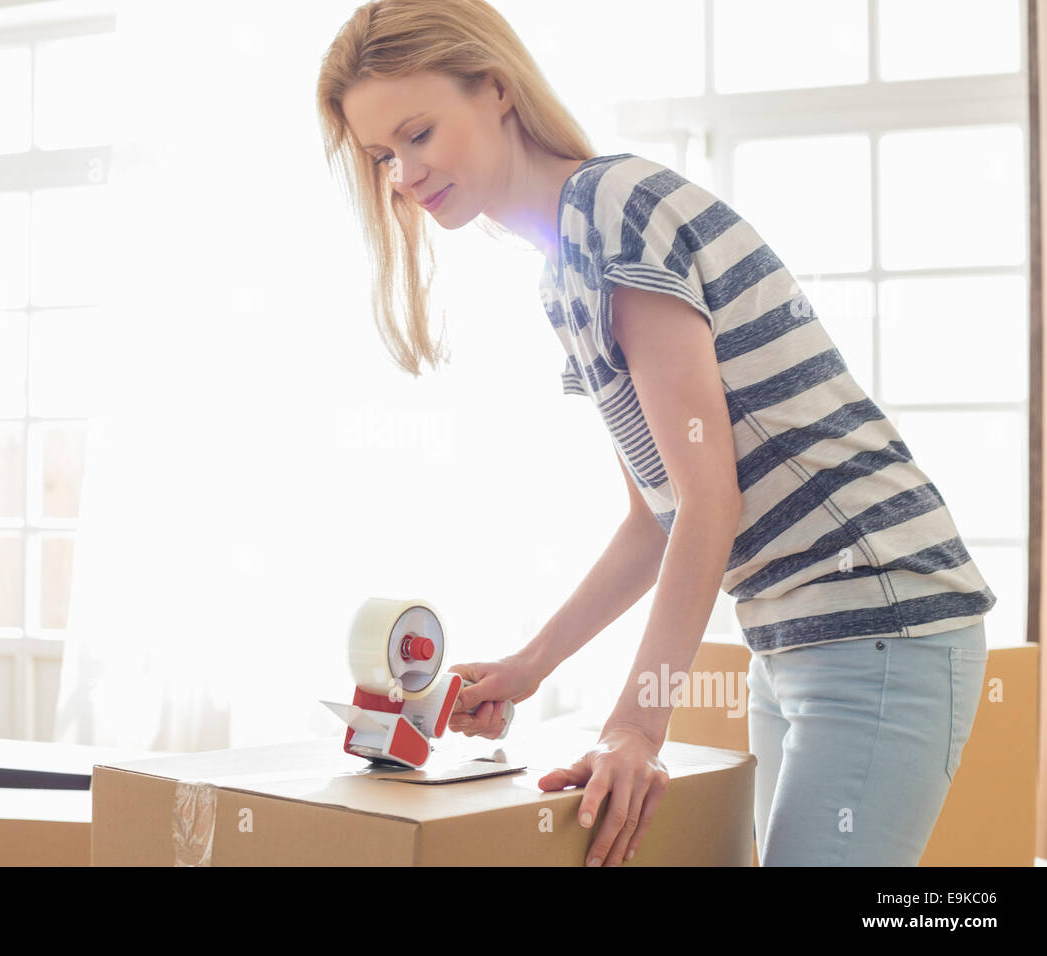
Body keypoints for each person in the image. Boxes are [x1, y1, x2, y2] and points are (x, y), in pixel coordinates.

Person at [318, 0, 995, 867]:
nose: (405, 174)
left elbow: (712, 498)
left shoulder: (614, 214)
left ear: (494, 88)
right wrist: (531, 664)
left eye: (418, 133)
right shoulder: (564, 265)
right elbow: (660, 511)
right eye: (383, 156)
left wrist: (636, 726)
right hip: (796, 637)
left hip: (879, 614)